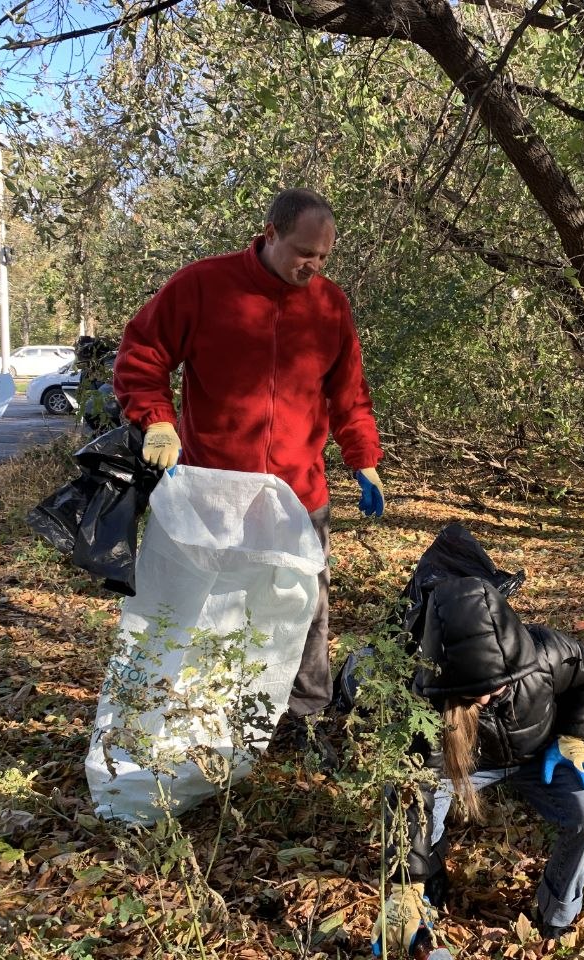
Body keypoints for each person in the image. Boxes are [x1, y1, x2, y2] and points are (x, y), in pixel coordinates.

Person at [113, 187, 386, 760]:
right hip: (215, 493)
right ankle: (197, 721)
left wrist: (363, 459)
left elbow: (348, 393)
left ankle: (307, 720)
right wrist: (157, 421)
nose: (312, 266)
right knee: (209, 607)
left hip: (297, 493)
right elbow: (143, 353)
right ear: (270, 233)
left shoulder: (329, 306)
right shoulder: (203, 287)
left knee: (307, 606)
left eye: (323, 258)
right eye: (303, 252)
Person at [374, 577, 584, 954]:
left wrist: (573, 738)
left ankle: (557, 915)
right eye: (470, 691)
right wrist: (406, 882)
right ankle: (425, 898)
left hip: (540, 756)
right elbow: (412, 790)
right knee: (426, 814)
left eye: (497, 686)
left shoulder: (547, 654)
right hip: (466, 765)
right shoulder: (429, 696)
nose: (484, 698)